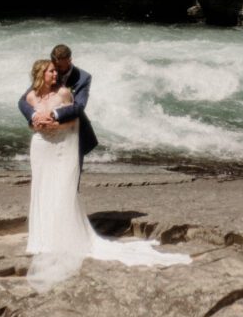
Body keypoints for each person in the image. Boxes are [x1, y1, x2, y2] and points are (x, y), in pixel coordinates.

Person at [24, 58, 191, 292]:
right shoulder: (30, 97)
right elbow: (29, 119)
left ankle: (62, 238)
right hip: (41, 147)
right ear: (42, 74)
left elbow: (74, 120)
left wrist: (54, 125)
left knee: (62, 190)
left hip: (62, 145)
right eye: (51, 71)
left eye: (56, 70)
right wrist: (37, 122)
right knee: (42, 189)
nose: (56, 74)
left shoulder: (63, 93)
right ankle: (41, 239)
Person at [18, 44, 97, 170]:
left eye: (60, 66)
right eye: (55, 66)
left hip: (73, 130)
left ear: (69, 60)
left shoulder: (83, 78)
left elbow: (79, 107)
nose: (57, 71)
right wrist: (34, 116)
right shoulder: (48, 71)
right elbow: (23, 100)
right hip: (48, 132)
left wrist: (53, 113)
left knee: (71, 174)